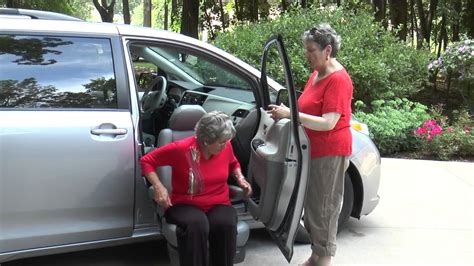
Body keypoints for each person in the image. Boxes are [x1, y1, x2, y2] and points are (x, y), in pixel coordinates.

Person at [268, 23, 353, 266]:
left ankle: (324, 259)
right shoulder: (317, 73)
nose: (307, 55)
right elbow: (306, 106)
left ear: (328, 50)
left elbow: (328, 123)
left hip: (329, 153)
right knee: (313, 208)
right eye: (306, 50)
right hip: (311, 151)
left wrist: (290, 115)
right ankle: (316, 256)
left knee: (324, 209)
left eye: (311, 50)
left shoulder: (338, 79)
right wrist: (288, 112)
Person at [140, 111, 252, 266]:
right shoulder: (181, 149)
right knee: (197, 225)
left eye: (227, 141)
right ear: (205, 141)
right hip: (185, 203)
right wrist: (159, 187)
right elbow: (146, 161)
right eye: (221, 142)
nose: (225, 145)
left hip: (218, 202)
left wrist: (240, 178)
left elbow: (233, 163)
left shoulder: (225, 147)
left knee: (225, 223)